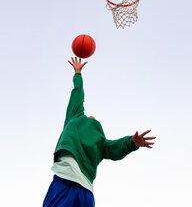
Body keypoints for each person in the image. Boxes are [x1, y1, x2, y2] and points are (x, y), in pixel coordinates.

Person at [43, 57, 156, 207]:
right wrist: (78, 73)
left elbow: (117, 148)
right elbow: (78, 95)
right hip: (72, 183)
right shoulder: (76, 117)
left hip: (77, 186)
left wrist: (132, 143)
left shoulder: (98, 139)